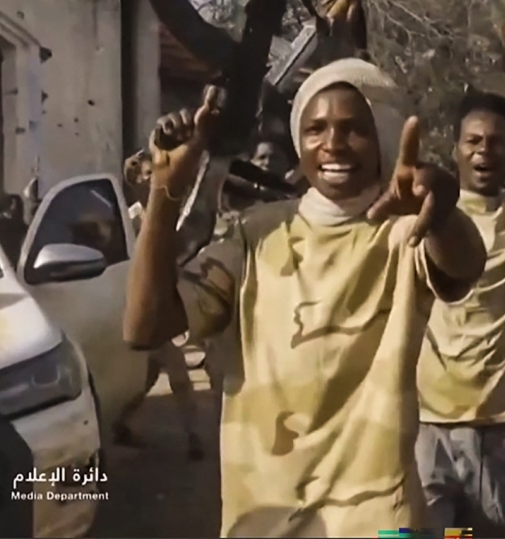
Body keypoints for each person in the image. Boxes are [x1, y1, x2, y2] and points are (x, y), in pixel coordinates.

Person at [122, 57, 486, 537]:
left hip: (378, 520)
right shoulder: (256, 236)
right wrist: (164, 192)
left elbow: (464, 266)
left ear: (385, 133)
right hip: (264, 519)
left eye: (353, 128)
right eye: (315, 129)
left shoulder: (404, 233)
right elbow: (143, 327)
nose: (332, 143)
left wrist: (439, 214)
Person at [414, 90, 505, 538]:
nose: (483, 151)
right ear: (455, 149)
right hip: (424, 430)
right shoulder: (421, 224)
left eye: (496, 142)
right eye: (472, 141)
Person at [116, 151, 206, 461]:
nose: (149, 178)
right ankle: (191, 436)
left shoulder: (169, 213)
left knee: (153, 377)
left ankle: (125, 424)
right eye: (144, 174)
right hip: (143, 310)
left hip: (164, 306)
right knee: (164, 376)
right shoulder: (129, 221)